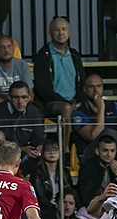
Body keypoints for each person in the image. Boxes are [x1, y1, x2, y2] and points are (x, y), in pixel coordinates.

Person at [34, 16, 86, 146]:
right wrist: (68, 103)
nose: (61, 33)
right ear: (50, 33)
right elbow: (42, 88)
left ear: (69, 32)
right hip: (52, 103)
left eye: (64, 29)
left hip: (75, 101)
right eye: (57, 30)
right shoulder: (43, 56)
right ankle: (65, 150)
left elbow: (82, 82)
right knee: (66, 108)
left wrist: (80, 102)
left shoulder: (74, 55)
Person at [0, 81, 45, 175]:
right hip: (0, 156)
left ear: (29, 98)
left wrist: (37, 150)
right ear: (9, 98)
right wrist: (22, 149)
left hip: (22, 156)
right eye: (16, 97)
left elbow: (40, 140)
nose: (20, 102)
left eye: (24, 97)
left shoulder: (34, 112)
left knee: (44, 159)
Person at [0, 35, 33, 107]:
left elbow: (30, 93)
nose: (6, 50)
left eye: (9, 46)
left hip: (20, 102)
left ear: (13, 48)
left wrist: (20, 103)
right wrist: (10, 106)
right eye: (2, 47)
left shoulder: (22, 65)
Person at [77, 135, 117, 207]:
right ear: (97, 151)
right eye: (105, 150)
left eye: (112, 151)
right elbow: (87, 196)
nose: (109, 154)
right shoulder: (87, 167)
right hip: (91, 208)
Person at [30, 140, 62, 219]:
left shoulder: (64, 172)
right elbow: (41, 199)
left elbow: (69, 192)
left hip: (62, 206)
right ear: (43, 153)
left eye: (55, 150)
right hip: (46, 209)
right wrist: (55, 208)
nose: (52, 152)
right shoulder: (37, 173)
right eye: (48, 150)